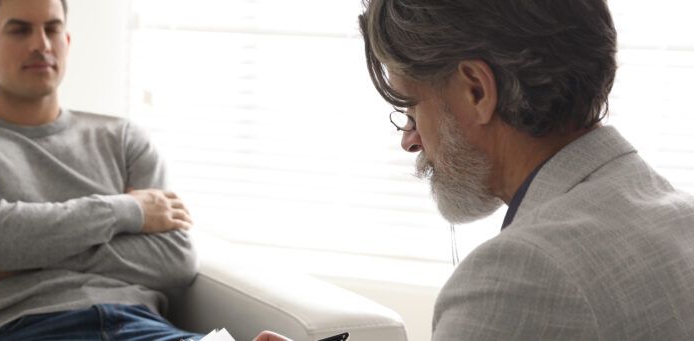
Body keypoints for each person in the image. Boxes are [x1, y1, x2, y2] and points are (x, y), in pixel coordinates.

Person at [258, 0, 694, 340]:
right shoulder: (678, 215)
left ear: (476, 90)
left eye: (410, 109)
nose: (409, 140)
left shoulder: (521, 275)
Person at [0, 0, 203, 340]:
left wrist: (22, 257)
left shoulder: (124, 139)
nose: (41, 44)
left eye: (52, 29)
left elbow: (177, 260)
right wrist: (127, 209)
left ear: (68, 41)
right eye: (20, 29)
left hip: (145, 329)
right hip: (29, 330)